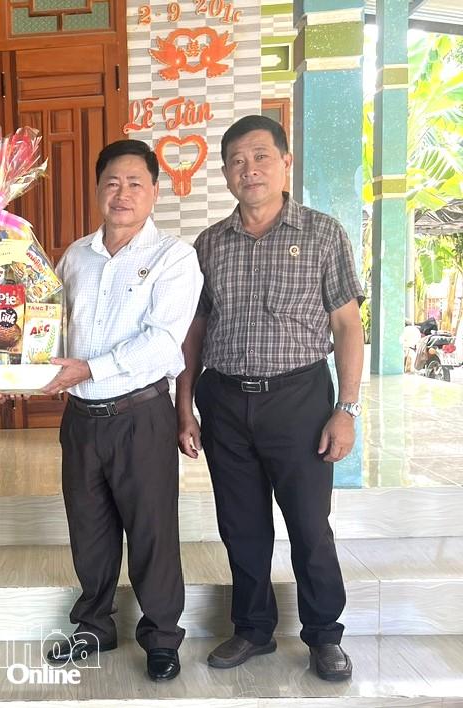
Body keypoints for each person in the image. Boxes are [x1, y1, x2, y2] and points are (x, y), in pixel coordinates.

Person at [175, 115, 364, 681]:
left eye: (260, 156)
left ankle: (324, 636)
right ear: (226, 173)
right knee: (241, 525)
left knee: (309, 525)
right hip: (225, 401)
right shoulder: (209, 243)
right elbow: (195, 331)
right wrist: (185, 405)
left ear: (286, 162)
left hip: (300, 399)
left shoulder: (324, 233)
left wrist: (346, 409)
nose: (249, 169)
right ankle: (253, 629)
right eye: (237, 160)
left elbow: (347, 326)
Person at [40, 139, 202, 682]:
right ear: (97, 190)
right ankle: (94, 626)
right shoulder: (74, 257)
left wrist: (86, 368)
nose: (122, 193)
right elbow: (51, 327)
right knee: (88, 529)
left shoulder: (174, 257)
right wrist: (15, 370)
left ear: (155, 191)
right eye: (112, 182)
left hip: (142, 416)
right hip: (81, 419)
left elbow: (164, 343)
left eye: (135, 183)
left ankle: (161, 636)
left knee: (152, 530)